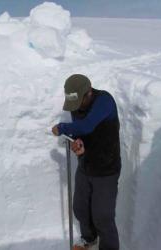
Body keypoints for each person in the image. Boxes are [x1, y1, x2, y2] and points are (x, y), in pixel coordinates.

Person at [52, 74, 121, 250]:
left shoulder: (104, 101)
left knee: (103, 216)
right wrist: (79, 142)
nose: (74, 109)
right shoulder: (77, 104)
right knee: (80, 208)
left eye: (77, 103)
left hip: (106, 169)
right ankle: (89, 239)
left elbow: (87, 125)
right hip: (86, 164)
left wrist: (62, 128)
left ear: (88, 92)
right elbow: (82, 132)